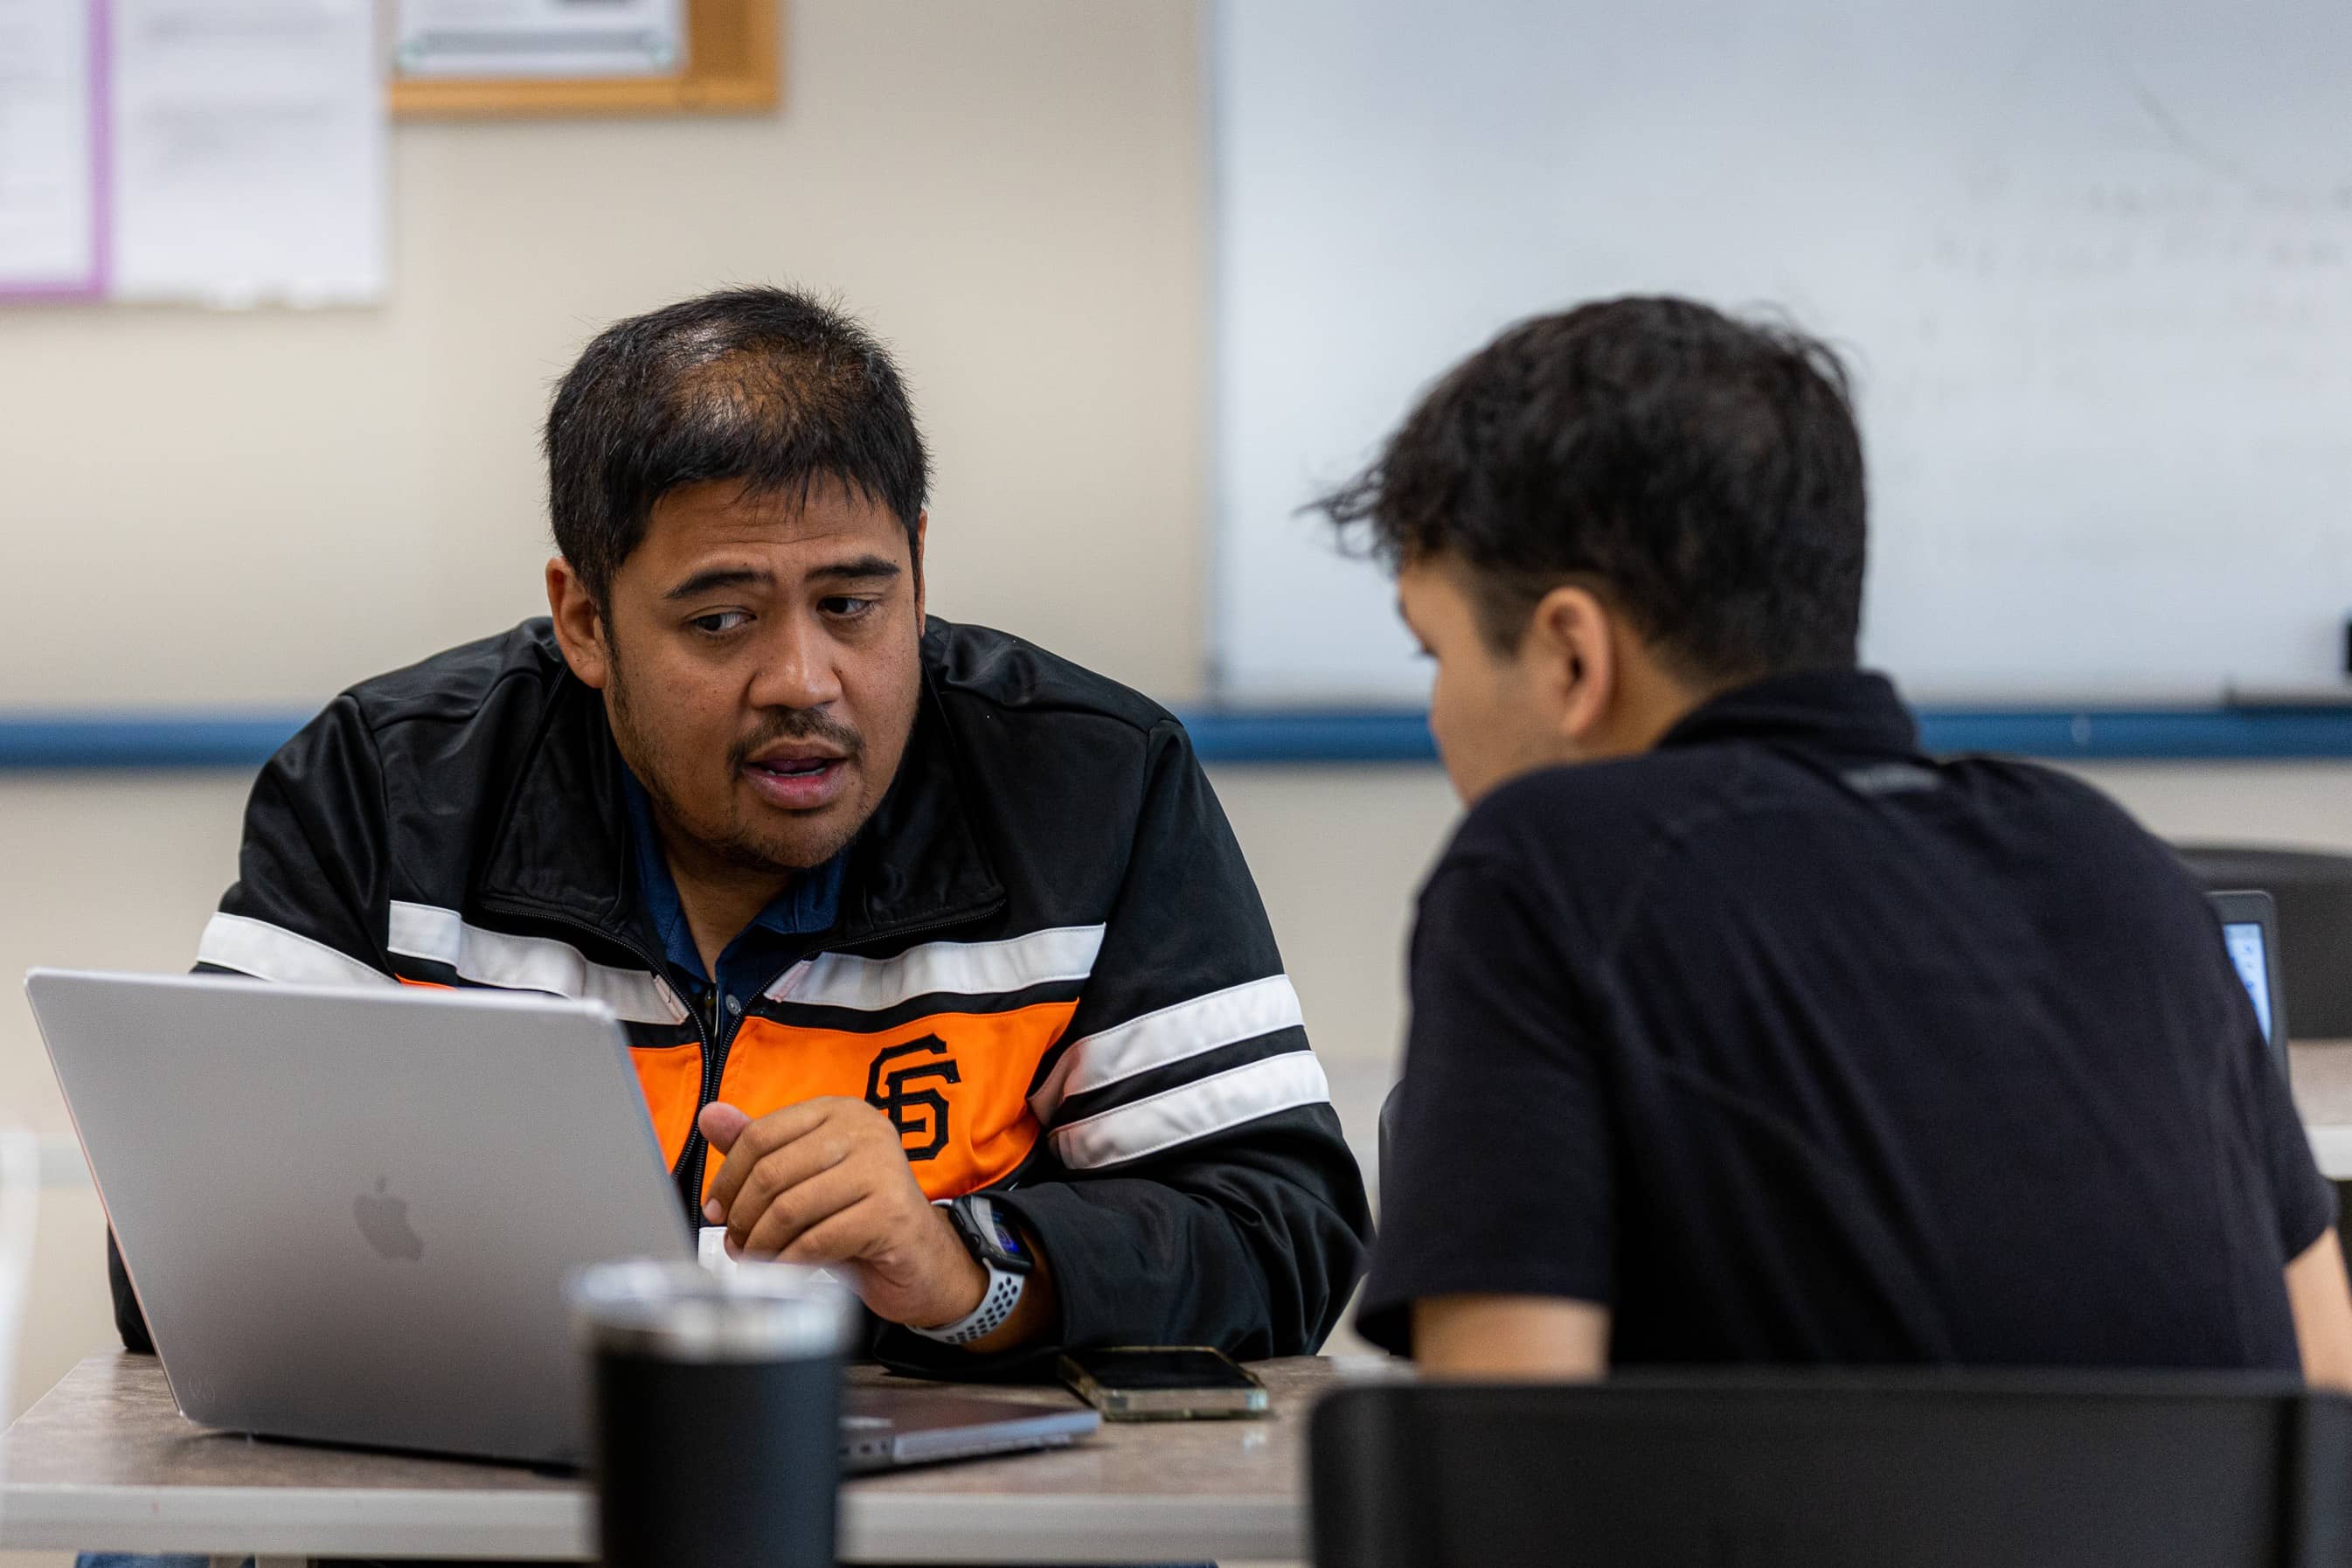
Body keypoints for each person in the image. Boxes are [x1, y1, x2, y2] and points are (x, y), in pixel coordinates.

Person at [110, 286, 1370, 1370]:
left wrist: (965, 1265)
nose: (803, 680)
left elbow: (1280, 1236)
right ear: (585, 618)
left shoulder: (1090, 788)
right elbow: (179, 1250)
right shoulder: (389, 789)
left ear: (918, 572)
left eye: (852, 603)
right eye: (720, 620)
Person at [1333, 296, 2352, 1383]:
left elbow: (1498, 1469)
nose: (1436, 710)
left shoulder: (1539, 873)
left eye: (1431, 655)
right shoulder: (2116, 864)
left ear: (1573, 659)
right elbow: (2327, 1404)